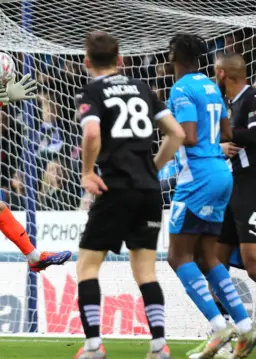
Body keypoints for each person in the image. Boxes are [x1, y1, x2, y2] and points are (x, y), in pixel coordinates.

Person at [73, 31, 184, 359]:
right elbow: (176, 133)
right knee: (146, 272)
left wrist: (87, 171)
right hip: (149, 191)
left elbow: (92, 131)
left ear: (86, 62)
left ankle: (93, 345)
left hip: (115, 189)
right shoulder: (143, 88)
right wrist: (153, 166)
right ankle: (159, 345)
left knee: (87, 267)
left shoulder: (92, 91)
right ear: (120, 60)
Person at [165, 33, 256, 359]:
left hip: (198, 177)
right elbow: (228, 133)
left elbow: (186, 136)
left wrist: (162, 127)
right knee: (207, 257)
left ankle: (219, 326)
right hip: (222, 175)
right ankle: (244, 328)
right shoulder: (212, 89)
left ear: (175, 55)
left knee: (177, 257)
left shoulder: (182, 89)